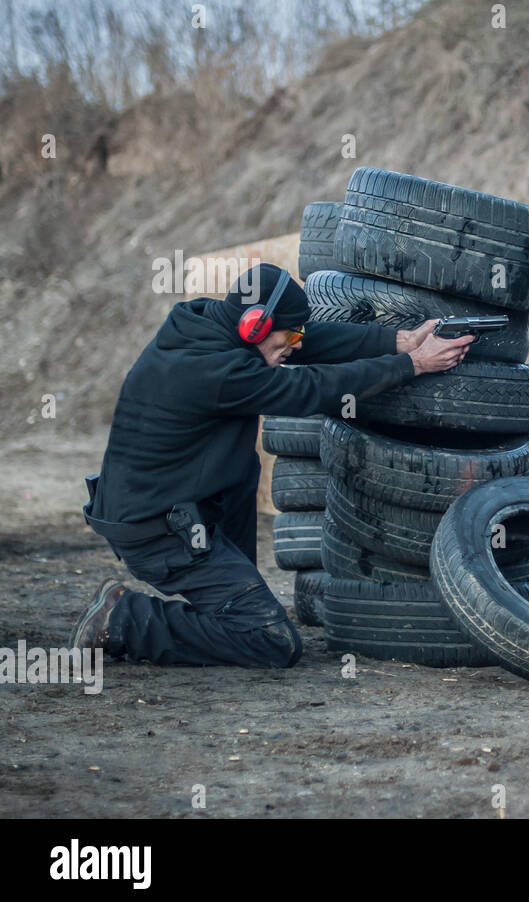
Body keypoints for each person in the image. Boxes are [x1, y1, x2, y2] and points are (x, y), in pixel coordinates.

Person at [70, 263, 472, 668]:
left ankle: (232, 602)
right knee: (270, 641)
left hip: (163, 510)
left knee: (242, 466)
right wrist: (414, 364)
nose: (297, 345)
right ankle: (123, 619)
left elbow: (307, 342)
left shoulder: (208, 327)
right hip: (159, 534)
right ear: (254, 327)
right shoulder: (217, 373)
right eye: (290, 336)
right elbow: (310, 387)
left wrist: (400, 341)